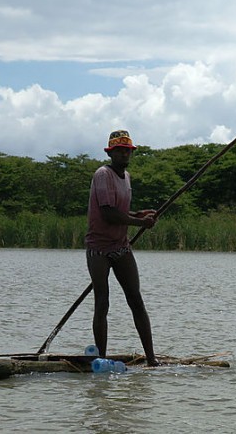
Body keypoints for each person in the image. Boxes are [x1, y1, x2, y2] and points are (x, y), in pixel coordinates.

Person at [85, 130, 161, 367]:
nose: (124, 154)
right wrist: (140, 223)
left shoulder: (126, 177)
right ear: (111, 153)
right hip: (99, 248)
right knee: (102, 301)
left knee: (136, 300)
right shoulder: (102, 174)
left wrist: (139, 214)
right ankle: (102, 359)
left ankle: (151, 359)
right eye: (119, 151)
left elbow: (120, 211)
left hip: (121, 246)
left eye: (127, 150)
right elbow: (108, 213)